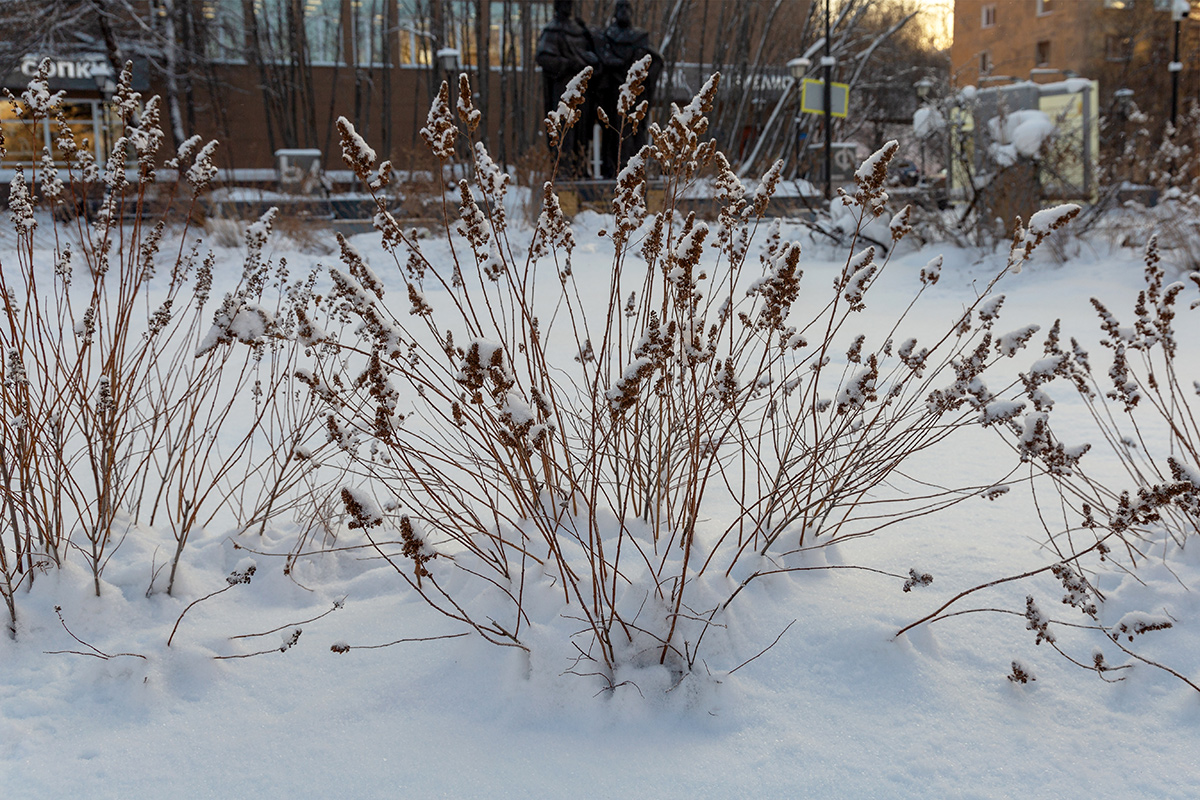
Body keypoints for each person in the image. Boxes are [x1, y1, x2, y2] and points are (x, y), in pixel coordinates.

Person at [596, 0, 663, 179]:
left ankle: (636, 167)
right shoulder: (608, 36)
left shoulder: (640, 37)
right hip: (614, 93)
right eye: (621, 8)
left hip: (636, 92)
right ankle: (614, 167)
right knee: (614, 131)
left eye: (627, 8)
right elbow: (602, 59)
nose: (624, 12)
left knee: (635, 129)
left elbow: (653, 60)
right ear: (615, 13)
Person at [536, 0, 601, 179]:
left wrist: (589, 59)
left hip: (583, 90)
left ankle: (580, 168)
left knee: (582, 128)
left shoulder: (580, 30)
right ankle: (563, 168)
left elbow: (592, 55)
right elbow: (543, 57)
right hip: (562, 88)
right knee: (564, 128)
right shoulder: (552, 30)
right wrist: (568, 64)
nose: (567, 5)